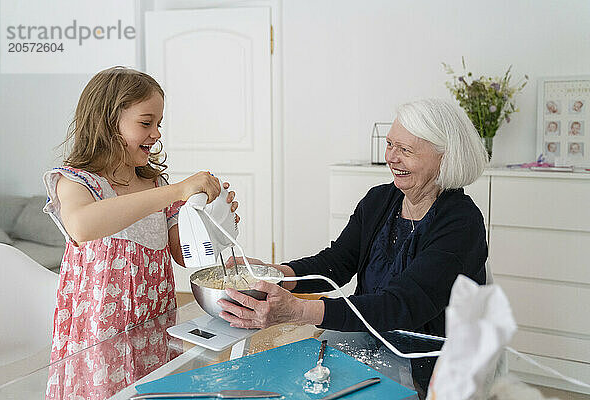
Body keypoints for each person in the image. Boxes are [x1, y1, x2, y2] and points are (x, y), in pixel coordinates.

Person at [220, 98, 488, 392]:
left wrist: (298, 311)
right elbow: (336, 263)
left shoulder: (461, 223)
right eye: (390, 144)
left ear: (444, 157)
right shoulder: (380, 200)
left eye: (406, 150)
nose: (392, 157)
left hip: (427, 364)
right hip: (368, 338)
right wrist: (275, 275)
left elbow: (401, 305)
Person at [43, 67, 239, 398]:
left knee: (152, 391)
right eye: (146, 123)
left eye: (159, 124)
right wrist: (175, 191)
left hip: (154, 329)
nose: (156, 134)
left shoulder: (155, 183)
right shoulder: (78, 182)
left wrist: (213, 220)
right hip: (99, 336)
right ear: (107, 123)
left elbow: (183, 253)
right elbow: (82, 226)